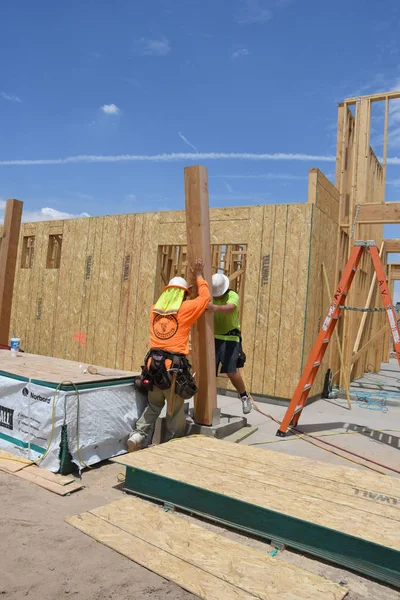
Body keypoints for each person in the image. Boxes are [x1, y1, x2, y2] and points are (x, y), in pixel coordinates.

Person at [127, 259, 210, 451]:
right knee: (175, 411)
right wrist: (199, 276)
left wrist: (180, 292)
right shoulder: (185, 310)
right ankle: (172, 446)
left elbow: (171, 304)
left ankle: (138, 435)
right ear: (181, 295)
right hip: (173, 370)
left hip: (153, 368)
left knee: (154, 406)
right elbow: (204, 299)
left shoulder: (154, 311)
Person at [206, 273, 252, 414]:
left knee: (231, 371)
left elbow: (230, 308)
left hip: (231, 337)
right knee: (209, 372)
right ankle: (206, 404)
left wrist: (214, 307)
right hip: (214, 337)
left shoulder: (232, 295)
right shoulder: (210, 295)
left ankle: (244, 397)